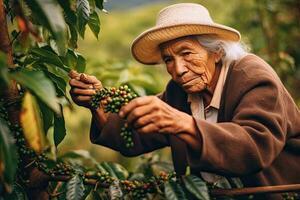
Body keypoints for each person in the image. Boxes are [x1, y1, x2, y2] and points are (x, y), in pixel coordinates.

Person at [69, 3, 300, 199]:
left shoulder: (252, 77)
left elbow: (253, 147)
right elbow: (137, 135)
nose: (177, 70)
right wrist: (98, 106)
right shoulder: (179, 92)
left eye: (187, 53)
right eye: (169, 59)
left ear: (216, 52)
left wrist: (184, 124)